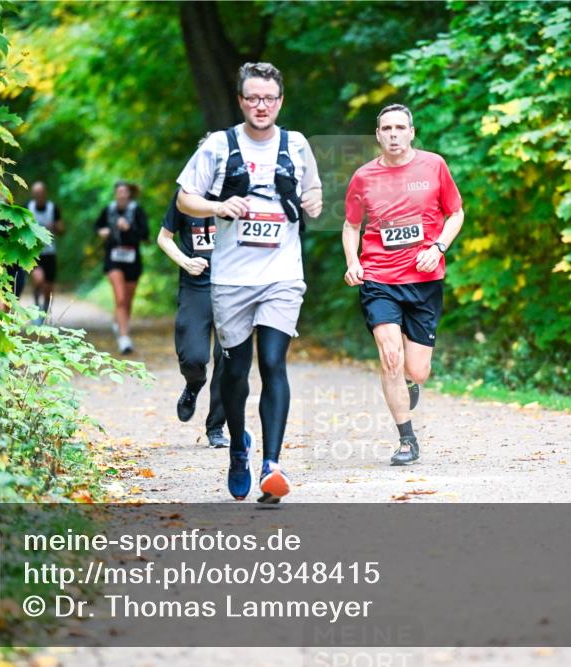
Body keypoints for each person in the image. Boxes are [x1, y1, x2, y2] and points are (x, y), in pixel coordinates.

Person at [176, 62, 322, 502]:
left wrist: (314, 203)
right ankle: (239, 448)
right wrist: (217, 208)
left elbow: (313, 193)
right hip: (232, 281)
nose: (262, 105)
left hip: (282, 276)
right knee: (235, 373)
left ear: (280, 101)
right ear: (241, 101)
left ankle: (271, 464)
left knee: (274, 362)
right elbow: (185, 197)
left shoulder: (296, 145)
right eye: (253, 98)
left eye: (270, 98)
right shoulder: (219, 147)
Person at [342, 103, 464, 466]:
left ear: (411, 132)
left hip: (425, 280)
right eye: (386, 128)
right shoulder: (363, 177)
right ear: (377, 135)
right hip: (379, 278)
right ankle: (407, 440)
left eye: (400, 127)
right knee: (390, 357)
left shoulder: (434, 166)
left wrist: (439, 246)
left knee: (417, 370)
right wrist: (353, 261)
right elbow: (351, 226)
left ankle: (411, 383)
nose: (393, 134)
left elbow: (455, 213)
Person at [157, 186, 230, 448]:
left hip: (232, 287)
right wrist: (186, 261)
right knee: (194, 357)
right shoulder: (185, 196)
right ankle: (193, 383)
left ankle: (216, 428)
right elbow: (164, 238)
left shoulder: (239, 190)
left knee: (228, 357)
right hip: (195, 286)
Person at [95, 181, 149, 354]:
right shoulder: (109, 209)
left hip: (132, 260)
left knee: (128, 299)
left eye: (125, 192)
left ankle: (120, 322)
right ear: (115, 194)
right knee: (120, 298)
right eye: (119, 192)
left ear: (129, 194)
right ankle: (124, 339)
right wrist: (101, 232)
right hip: (114, 260)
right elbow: (97, 226)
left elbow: (146, 234)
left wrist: (129, 228)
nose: (122, 195)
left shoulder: (136, 210)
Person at [27, 181, 64, 322]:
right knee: (38, 280)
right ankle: (37, 310)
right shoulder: (27, 207)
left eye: (41, 193)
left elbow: (62, 229)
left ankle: (45, 312)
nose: (39, 195)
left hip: (50, 253)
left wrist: (54, 226)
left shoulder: (53, 208)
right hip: (33, 252)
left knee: (48, 287)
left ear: (45, 193)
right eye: (36, 193)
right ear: (33, 194)